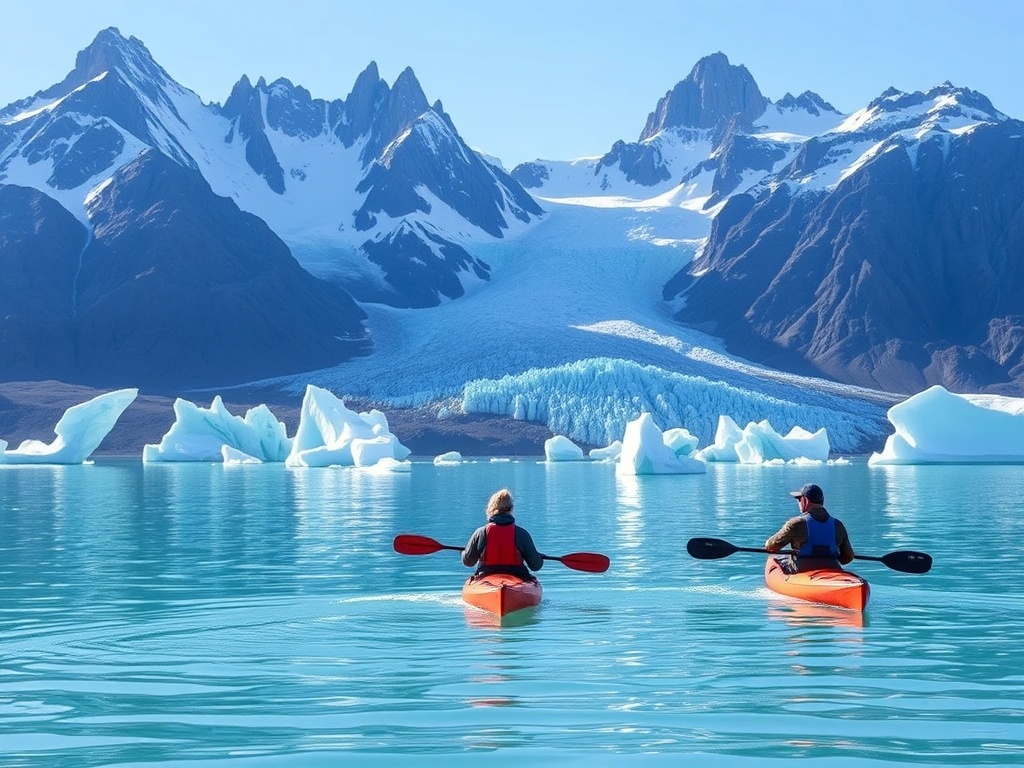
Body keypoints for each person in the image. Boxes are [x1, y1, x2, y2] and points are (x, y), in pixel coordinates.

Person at [764, 483, 855, 572]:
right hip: (832, 568)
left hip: (803, 569)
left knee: (776, 558)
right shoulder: (838, 525)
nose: (798, 502)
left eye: (799, 499)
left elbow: (771, 546)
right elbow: (848, 557)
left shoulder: (796, 524)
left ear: (805, 501)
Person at [462, 488, 544, 580]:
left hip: (485, 576)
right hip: (518, 577)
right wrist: (539, 557)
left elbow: (468, 562)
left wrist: (465, 552)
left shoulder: (481, 533)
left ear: (490, 509)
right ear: (511, 509)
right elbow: (535, 565)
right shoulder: (521, 534)